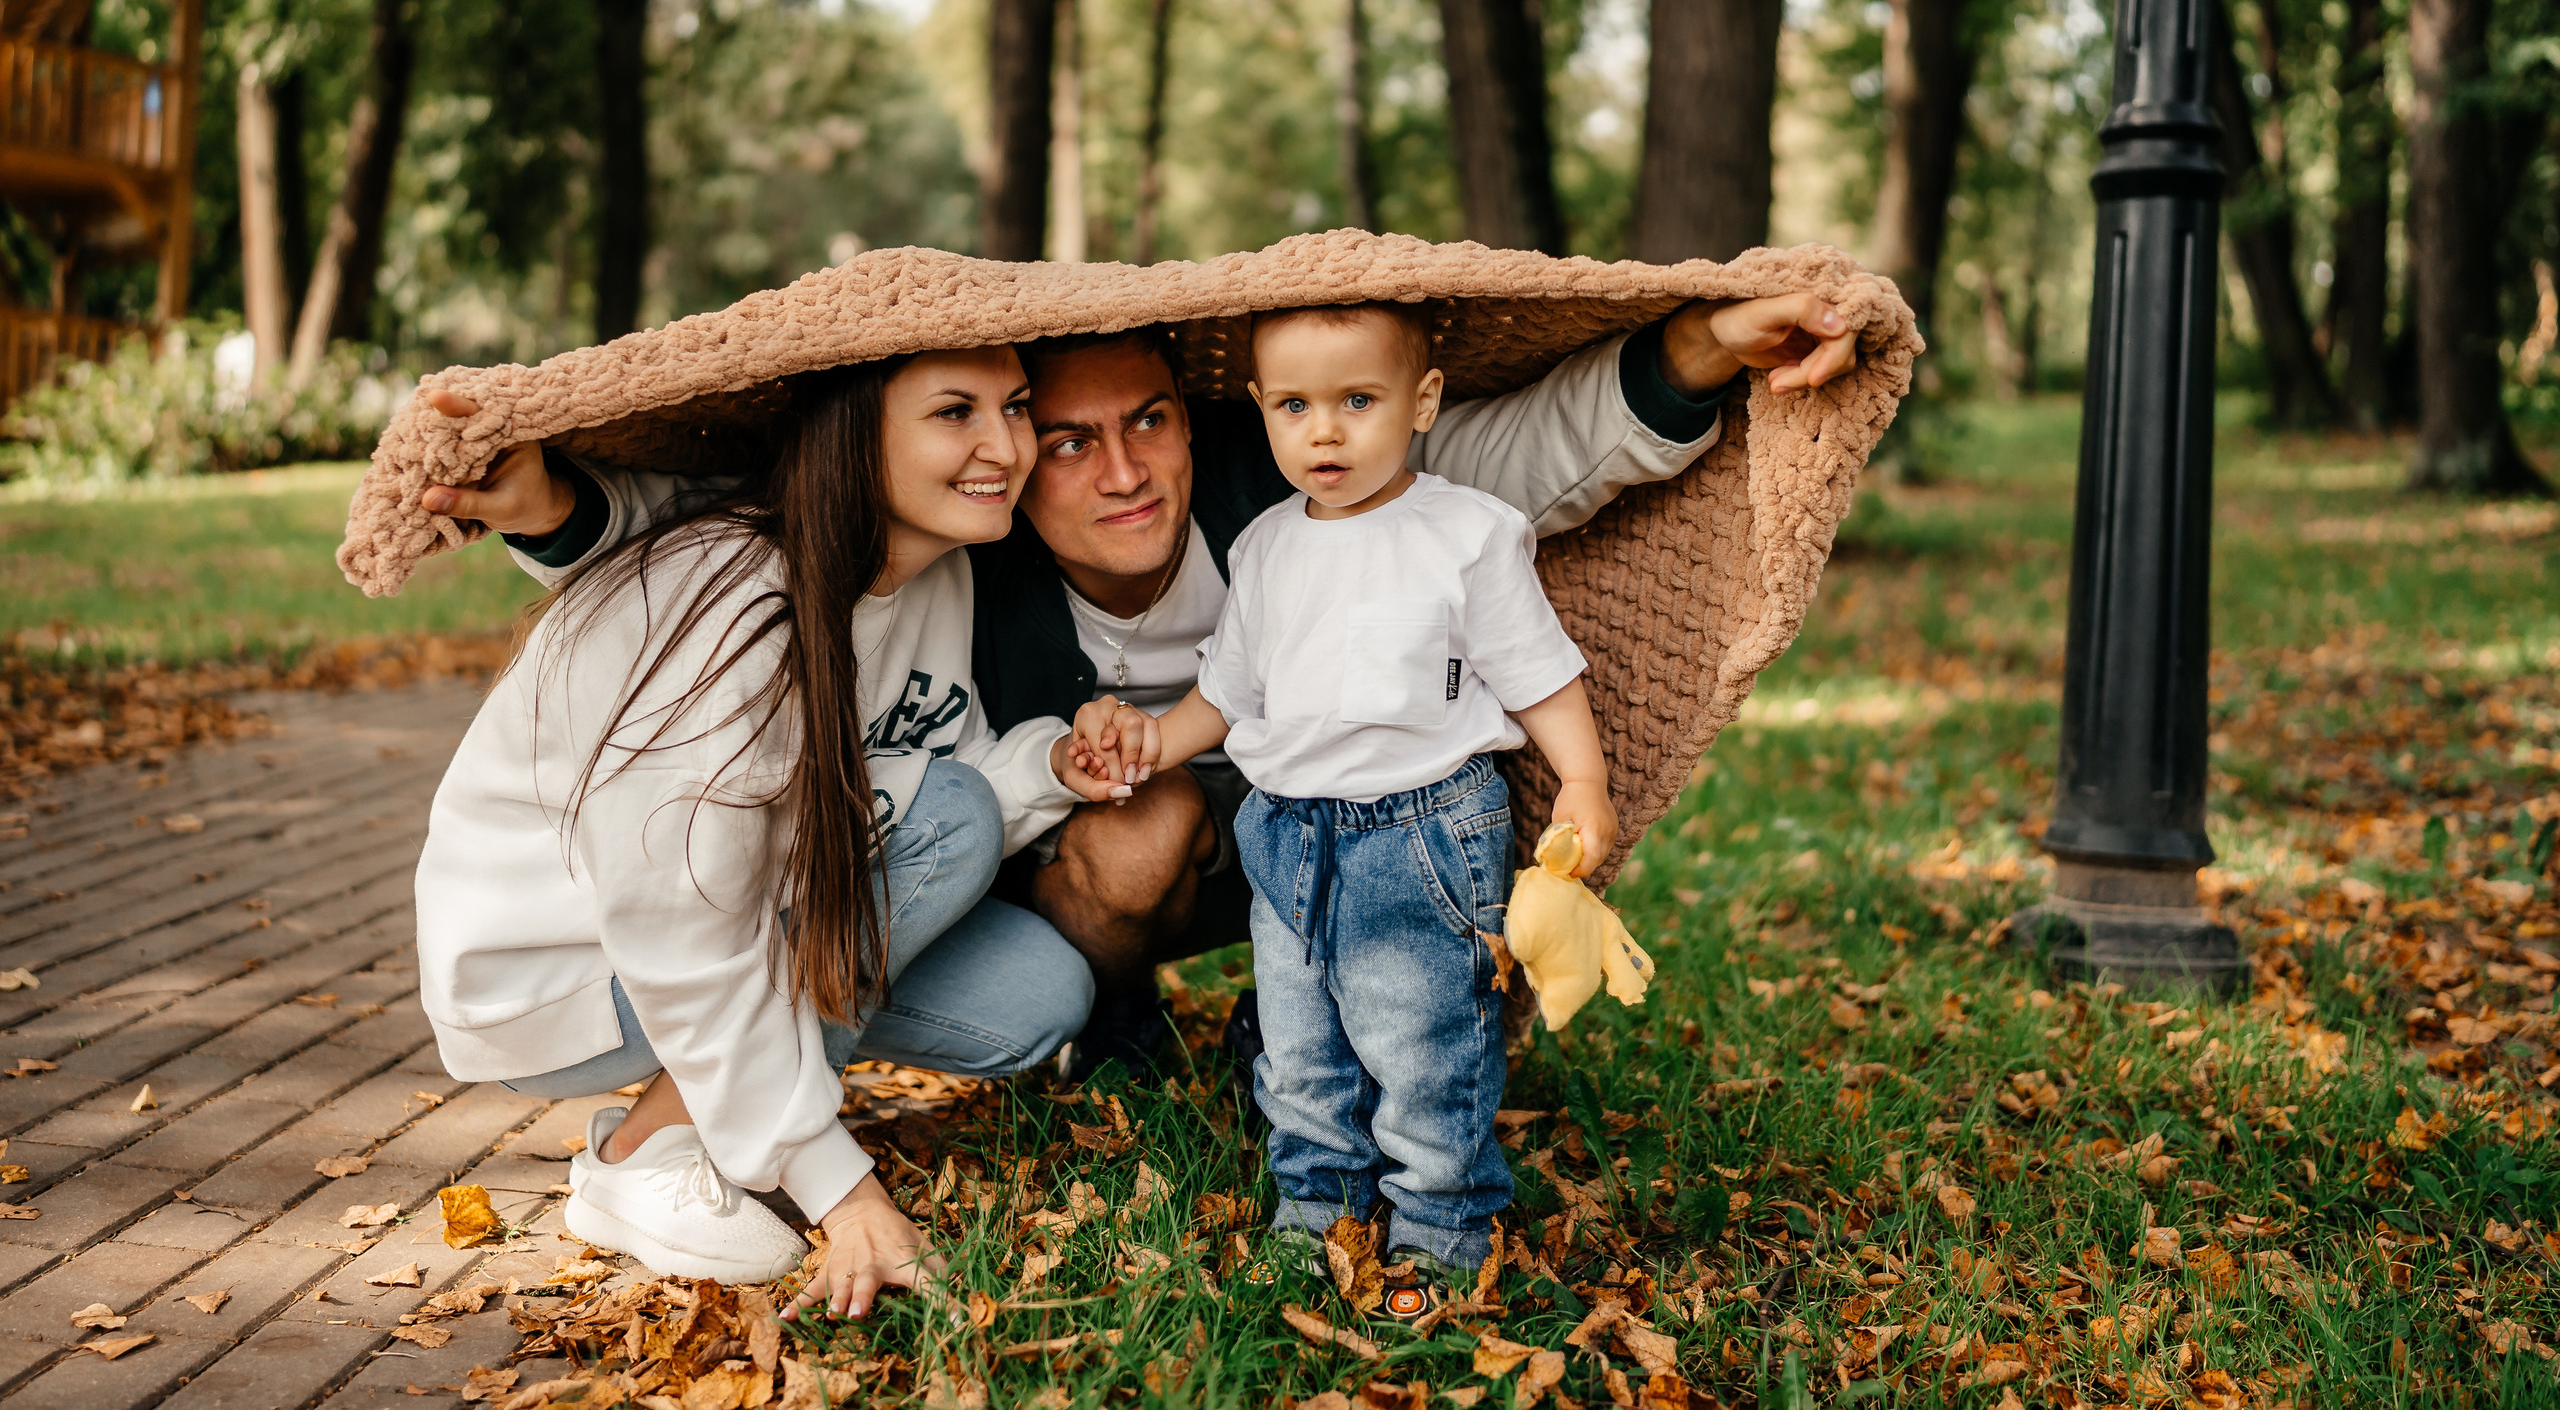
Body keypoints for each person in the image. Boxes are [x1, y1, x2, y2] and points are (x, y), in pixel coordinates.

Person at [419, 293, 1859, 1074]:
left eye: (1151, 421)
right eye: (1067, 439)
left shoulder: (1285, 474)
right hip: (1102, 840)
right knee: (1137, 824)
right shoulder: (962, 551)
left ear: (1193, 414)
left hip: (1345, 804)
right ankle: (1116, 1030)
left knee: (1447, 788)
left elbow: (1530, 452)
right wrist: (543, 495)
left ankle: (1389, 1035)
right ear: (1002, 451)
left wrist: (1706, 345)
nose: (1122, 471)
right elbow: (742, 529)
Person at [413, 348, 1123, 1315]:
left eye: (1016, 407)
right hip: (565, 966)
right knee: (952, 814)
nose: (1005, 446)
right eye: (955, 411)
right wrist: (845, 1192)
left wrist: (1050, 768)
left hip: (759, 907)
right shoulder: (739, 598)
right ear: (855, 432)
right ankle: (641, 1153)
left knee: (1037, 995)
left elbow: (932, 757)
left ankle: (742, 1095)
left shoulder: (937, 571)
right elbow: (679, 928)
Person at [1069, 303, 1605, 1281]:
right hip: (1285, 831)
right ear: (1263, 412)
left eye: (1357, 400)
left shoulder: (1465, 534)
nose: (1324, 430)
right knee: (1300, 1042)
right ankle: (1316, 1210)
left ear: (1422, 402)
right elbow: (1230, 694)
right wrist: (1152, 742)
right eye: (1293, 406)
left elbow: (1537, 674)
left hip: (1424, 827)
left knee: (1424, 1045)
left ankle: (1442, 1229)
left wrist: (1582, 778)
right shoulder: (1266, 545)